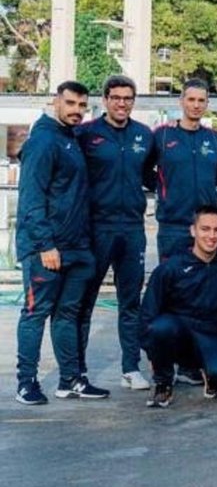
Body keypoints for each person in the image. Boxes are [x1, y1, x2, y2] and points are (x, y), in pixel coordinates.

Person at [14, 81, 101, 405]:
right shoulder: (43, 141)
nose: (77, 110)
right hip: (47, 249)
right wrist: (45, 245)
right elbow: (31, 199)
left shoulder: (71, 138)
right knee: (35, 314)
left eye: (82, 105)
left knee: (67, 314)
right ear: (56, 102)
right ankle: (26, 383)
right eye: (71, 103)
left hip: (76, 247)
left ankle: (70, 380)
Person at [75, 75, 157, 392]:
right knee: (85, 301)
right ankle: (77, 370)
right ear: (105, 100)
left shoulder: (144, 135)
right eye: (116, 98)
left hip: (132, 228)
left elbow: (152, 174)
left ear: (133, 101)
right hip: (97, 228)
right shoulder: (87, 133)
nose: (122, 103)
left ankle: (130, 368)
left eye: (128, 98)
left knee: (130, 301)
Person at [140, 206, 217, 408]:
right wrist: (152, 351)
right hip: (181, 334)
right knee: (159, 328)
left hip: (215, 334)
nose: (211, 236)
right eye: (205, 229)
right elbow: (147, 314)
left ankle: (211, 374)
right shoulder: (170, 268)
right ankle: (163, 383)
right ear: (193, 230)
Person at [153, 78, 217, 260]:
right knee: (171, 276)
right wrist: (166, 192)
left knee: (206, 276)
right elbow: (144, 170)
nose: (196, 105)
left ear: (207, 103)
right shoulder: (162, 135)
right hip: (173, 226)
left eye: (201, 100)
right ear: (181, 101)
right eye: (191, 99)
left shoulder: (214, 138)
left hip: (207, 226)